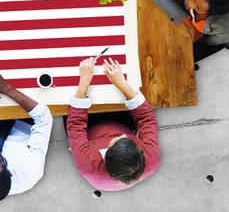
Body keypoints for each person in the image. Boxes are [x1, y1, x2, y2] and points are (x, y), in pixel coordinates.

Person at [66, 58, 160, 191]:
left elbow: (75, 126)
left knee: (67, 100)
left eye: (114, 141)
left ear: (104, 156)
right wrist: (123, 85)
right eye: (127, 138)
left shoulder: (87, 164)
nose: (122, 135)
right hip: (121, 122)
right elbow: (147, 119)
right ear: (140, 152)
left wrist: (84, 82)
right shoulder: (152, 159)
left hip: (88, 131)